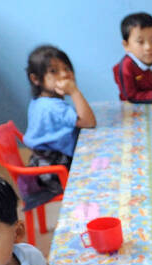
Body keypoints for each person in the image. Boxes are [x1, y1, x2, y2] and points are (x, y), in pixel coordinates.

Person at [22, 44, 96, 201]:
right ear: (35, 78)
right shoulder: (53, 107)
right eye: (53, 71)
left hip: (40, 163)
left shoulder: (40, 101)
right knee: (100, 170)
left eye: (66, 68)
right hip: (53, 170)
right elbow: (89, 122)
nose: (64, 75)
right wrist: (74, 91)